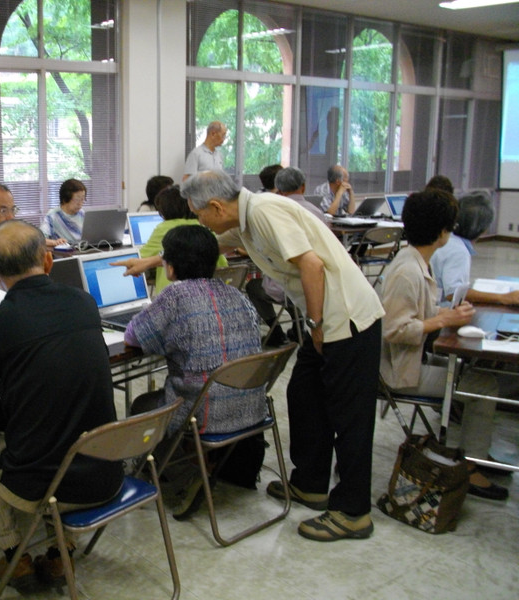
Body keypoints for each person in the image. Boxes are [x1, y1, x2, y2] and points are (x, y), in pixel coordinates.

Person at [116, 171, 384, 541]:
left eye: (198, 213)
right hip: (324, 320)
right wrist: (149, 263)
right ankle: (310, 483)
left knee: (349, 416)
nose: (199, 221)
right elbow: (209, 247)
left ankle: (353, 512)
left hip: (347, 319)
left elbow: (312, 265)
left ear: (215, 206)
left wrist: (316, 324)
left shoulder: (264, 211)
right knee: (304, 397)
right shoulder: (243, 222)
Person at [0, 220, 123, 589]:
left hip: (42, 485)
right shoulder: (83, 302)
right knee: (65, 427)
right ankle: (61, 555)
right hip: (107, 474)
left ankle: (15, 556)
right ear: (47, 261)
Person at [126, 224, 265, 518]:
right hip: (251, 408)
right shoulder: (237, 295)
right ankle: (199, 464)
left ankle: (186, 477)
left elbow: (134, 336)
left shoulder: (175, 296)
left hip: (206, 413)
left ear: (170, 267)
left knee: (143, 406)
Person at [380, 189, 508, 500]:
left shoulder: (416, 260)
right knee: (482, 386)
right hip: (397, 370)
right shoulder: (408, 270)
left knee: (475, 376)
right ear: (442, 233)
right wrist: (443, 320)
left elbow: (419, 311)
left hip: (410, 358)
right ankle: (470, 465)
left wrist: (445, 313)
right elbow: (395, 329)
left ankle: (473, 454)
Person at [247, 166, 327, 347]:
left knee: (253, 286)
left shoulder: (272, 212)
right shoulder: (316, 211)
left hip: (290, 286)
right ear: (303, 187)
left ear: (279, 189)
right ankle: (298, 328)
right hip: (319, 285)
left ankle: (275, 333)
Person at [431, 190, 519, 307]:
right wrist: (503, 297)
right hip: (438, 309)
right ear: (484, 229)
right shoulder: (458, 250)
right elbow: (453, 293)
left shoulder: (447, 239)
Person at [138, 185, 227, 294]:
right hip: (211, 292)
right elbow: (223, 264)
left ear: (165, 210)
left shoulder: (165, 228)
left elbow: (140, 256)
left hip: (173, 292)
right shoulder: (203, 226)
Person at [40, 179, 88, 244]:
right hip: (63, 249)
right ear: (65, 199)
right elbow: (41, 240)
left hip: (83, 249)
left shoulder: (83, 214)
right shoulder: (53, 215)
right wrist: (55, 242)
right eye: (77, 199)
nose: (80, 203)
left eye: (82, 199)